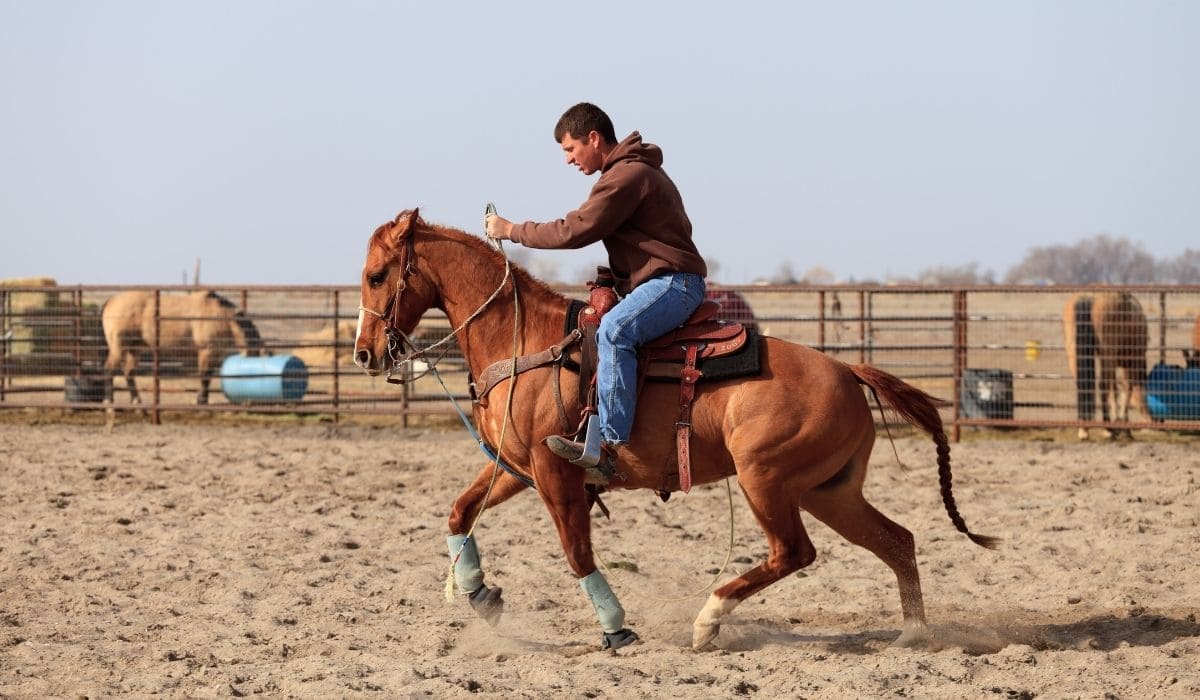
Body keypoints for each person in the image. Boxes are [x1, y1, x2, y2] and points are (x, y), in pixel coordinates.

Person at [486, 102, 707, 474]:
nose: (568, 160)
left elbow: (575, 230)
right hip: (662, 281)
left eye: (570, 149)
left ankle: (608, 444)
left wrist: (512, 230)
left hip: (674, 284)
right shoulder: (630, 172)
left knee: (615, 331)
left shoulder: (627, 176)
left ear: (593, 138)